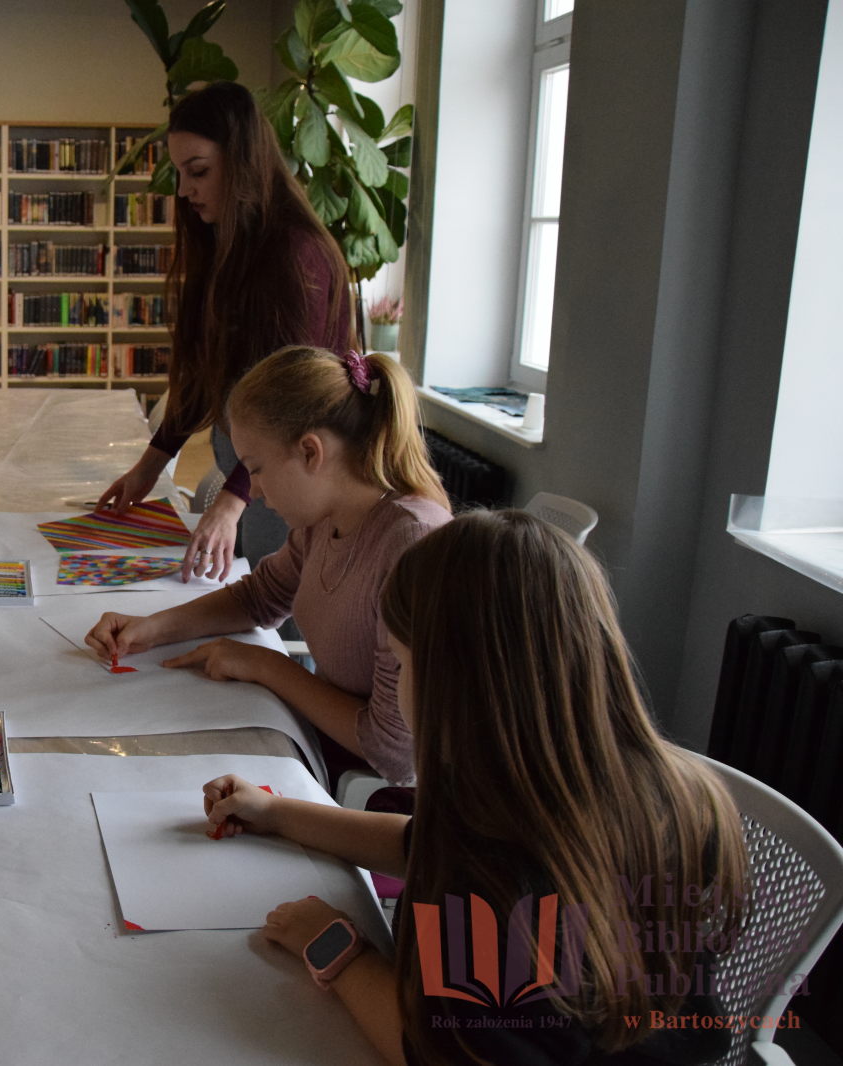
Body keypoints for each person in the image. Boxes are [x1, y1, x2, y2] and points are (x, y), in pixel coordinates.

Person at [202, 511, 747, 1065]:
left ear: (448, 684)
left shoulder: (487, 877)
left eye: (401, 661)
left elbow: (431, 1052)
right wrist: (278, 813)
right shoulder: (670, 791)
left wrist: (339, 949)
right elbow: (421, 842)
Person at [87, 346, 449, 786]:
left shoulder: (411, 543)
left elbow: (395, 751)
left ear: (311, 452)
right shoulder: (327, 516)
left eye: (256, 469)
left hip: (381, 791)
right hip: (326, 747)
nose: (253, 491)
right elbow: (259, 597)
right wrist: (152, 627)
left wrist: (266, 665)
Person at [97, 80, 357, 581]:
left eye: (198, 171)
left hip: (294, 479)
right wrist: (149, 466)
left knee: (283, 612)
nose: (183, 190)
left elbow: (294, 402)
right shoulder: (228, 243)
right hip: (259, 474)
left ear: (243, 163)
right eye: (179, 173)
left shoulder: (295, 256)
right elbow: (204, 370)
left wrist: (233, 500)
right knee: (255, 599)